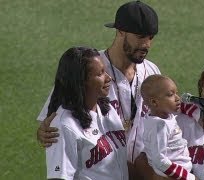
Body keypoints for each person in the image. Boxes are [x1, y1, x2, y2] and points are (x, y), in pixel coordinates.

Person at [37, 1, 160, 177]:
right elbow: (53, 122)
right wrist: (43, 131)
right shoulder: (87, 67)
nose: (147, 44)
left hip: (139, 170)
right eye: (141, 36)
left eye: (151, 37)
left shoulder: (152, 71)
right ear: (120, 31)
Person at [45, 46, 128, 180]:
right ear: (81, 81)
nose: (109, 78)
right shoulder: (65, 125)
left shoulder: (108, 110)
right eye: (100, 74)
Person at [140, 75, 196, 180]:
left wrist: (199, 116)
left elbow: (184, 106)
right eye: (170, 95)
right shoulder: (160, 126)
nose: (178, 98)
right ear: (154, 102)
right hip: (173, 175)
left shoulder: (163, 114)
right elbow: (160, 161)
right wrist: (188, 177)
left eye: (176, 93)